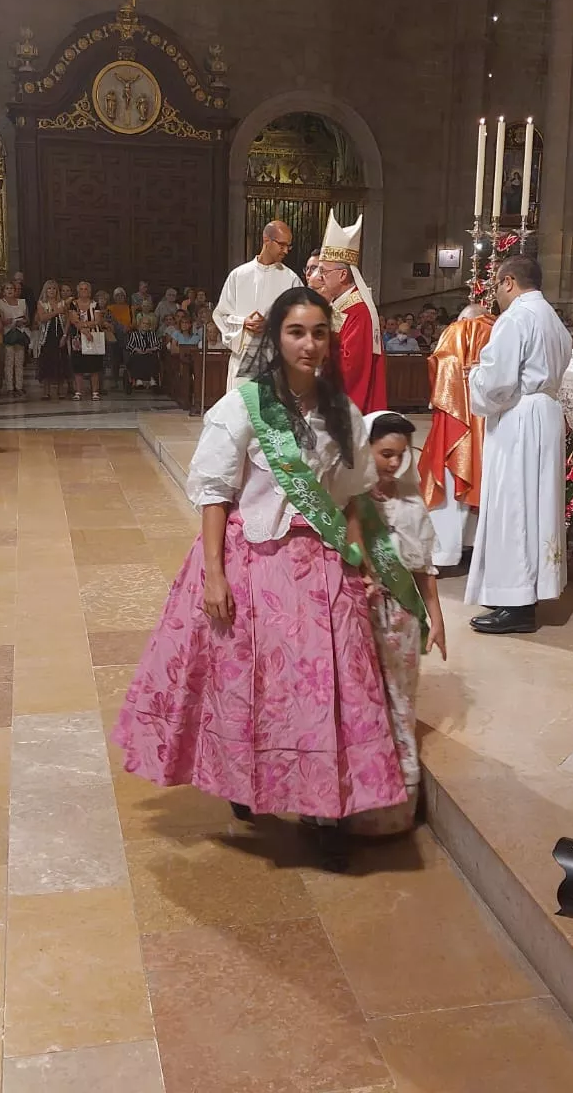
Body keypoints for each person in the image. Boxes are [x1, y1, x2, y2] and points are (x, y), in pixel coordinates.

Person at [112, 286, 404, 873]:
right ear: (275, 338)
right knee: (249, 685)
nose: (309, 343)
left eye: (320, 332)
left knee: (320, 689)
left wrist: (364, 561)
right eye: (297, 331)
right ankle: (244, 780)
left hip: (318, 570)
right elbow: (216, 496)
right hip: (252, 566)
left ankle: (323, 809)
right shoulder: (244, 406)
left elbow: (349, 499)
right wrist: (214, 578)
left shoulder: (342, 412)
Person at [347, 411, 445, 839]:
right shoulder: (349, 503)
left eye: (400, 456)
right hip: (360, 613)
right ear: (364, 449)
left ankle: (396, 807)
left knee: (401, 703)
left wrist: (437, 619)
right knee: (366, 702)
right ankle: (357, 804)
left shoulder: (409, 502)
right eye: (385, 453)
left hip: (401, 617)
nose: (392, 463)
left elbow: (424, 570)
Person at [465, 257, 572, 634]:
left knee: (514, 505)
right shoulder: (553, 319)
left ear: (508, 282)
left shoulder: (515, 318)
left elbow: (496, 383)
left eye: (497, 286)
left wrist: (474, 374)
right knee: (537, 505)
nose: (496, 294)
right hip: (545, 415)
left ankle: (516, 603)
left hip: (520, 420)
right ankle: (527, 589)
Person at [417, 299, 495, 569]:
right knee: (482, 478)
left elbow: (438, 371)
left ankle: (443, 553)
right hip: (487, 422)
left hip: (454, 421)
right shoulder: (496, 330)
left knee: (449, 484)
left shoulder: (453, 333)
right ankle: (473, 544)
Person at [310, 212, 388, 413]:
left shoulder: (358, 311)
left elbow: (350, 367)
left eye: (324, 272)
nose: (320, 278)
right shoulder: (340, 305)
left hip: (350, 406)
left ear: (343, 274)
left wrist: (317, 349)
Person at [215, 219, 298, 388]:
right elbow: (221, 315)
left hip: (275, 362)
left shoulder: (292, 279)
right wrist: (244, 323)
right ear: (266, 240)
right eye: (282, 245)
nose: (285, 251)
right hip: (243, 359)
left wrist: (271, 325)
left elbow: (298, 323)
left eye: (288, 246)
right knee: (241, 410)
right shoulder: (238, 276)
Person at [69, 282, 105, 401]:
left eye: (86, 289)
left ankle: (95, 392)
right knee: (78, 365)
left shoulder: (95, 305)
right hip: (77, 338)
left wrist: (84, 325)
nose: (84, 291)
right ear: (78, 291)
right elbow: (74, 320)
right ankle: (78, 391)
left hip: (93, 336)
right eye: (82, 289)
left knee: (93, 365)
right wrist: (85, 331)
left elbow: (98, 321)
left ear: (89, 291)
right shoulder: (73, 304)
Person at [37, 280, 71, 399]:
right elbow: (42, 318)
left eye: (54, 288)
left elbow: (68, 321)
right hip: (47, 338)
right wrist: (56, 311)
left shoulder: (62, 303)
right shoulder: (42, 303)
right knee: (46, 363)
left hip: (60, 336)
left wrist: (65, 336)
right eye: (49, 288)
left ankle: (61, 391)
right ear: (45, 290)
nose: (52, 291)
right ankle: (46, 391)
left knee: (61, 362)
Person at [0, 279, 29, 397]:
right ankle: (10, 387)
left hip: (19, 333)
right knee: (9, 362)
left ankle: (19, 386)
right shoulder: (0, 304)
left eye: (12, 289)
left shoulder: (22, 302)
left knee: (19, 362)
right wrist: (5, 321)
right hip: (7, 334)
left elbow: (27, 319)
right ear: (3, 291)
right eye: (7, 289)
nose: (10, 291)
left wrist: (23, 321)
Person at [124, 310, 161, 389]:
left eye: (147, 324)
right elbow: (129, 345)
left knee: (153, 358)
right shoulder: (134, 334)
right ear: (139, 324)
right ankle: (139, 379)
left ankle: (152, 379)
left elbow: (158, 345)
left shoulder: (152, 334)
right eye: (143, 323)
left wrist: (151, 349)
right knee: (137, 358)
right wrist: (136, 349)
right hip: (137, 354)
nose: (145, 325)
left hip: (149, 354)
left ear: (150, 326)